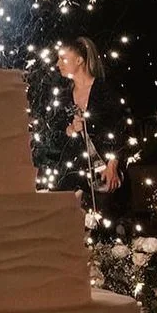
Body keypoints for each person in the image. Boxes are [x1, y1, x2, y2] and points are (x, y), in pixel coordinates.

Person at [45, 37, 136, 214]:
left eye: (63, 59)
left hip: (105, 176)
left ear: (79, 60)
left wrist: (113, 165)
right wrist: (71, 129)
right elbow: (54, 134)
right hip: (75, 175)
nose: (58, 64)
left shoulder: (105, 90)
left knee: (105, 228)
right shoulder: (63, 97)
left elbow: (121, 127)